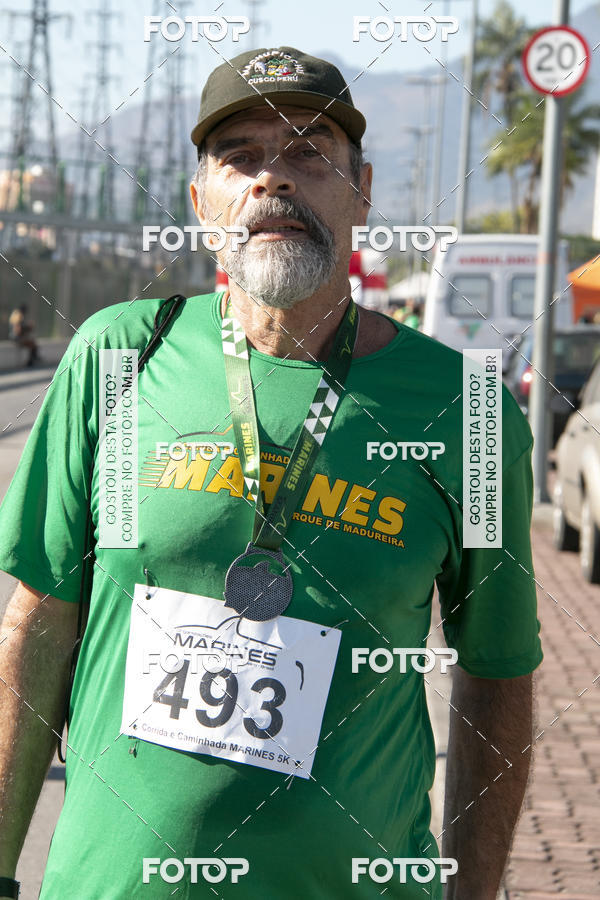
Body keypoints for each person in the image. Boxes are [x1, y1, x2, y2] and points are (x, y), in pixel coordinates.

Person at [0, 46, 542, 899]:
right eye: (240, 156)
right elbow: (37, 625)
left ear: (362, 193)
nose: (273, 179)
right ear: (201, 203)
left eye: (308, 154)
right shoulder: (117, 357)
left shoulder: (467, 410)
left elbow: (498, 672)